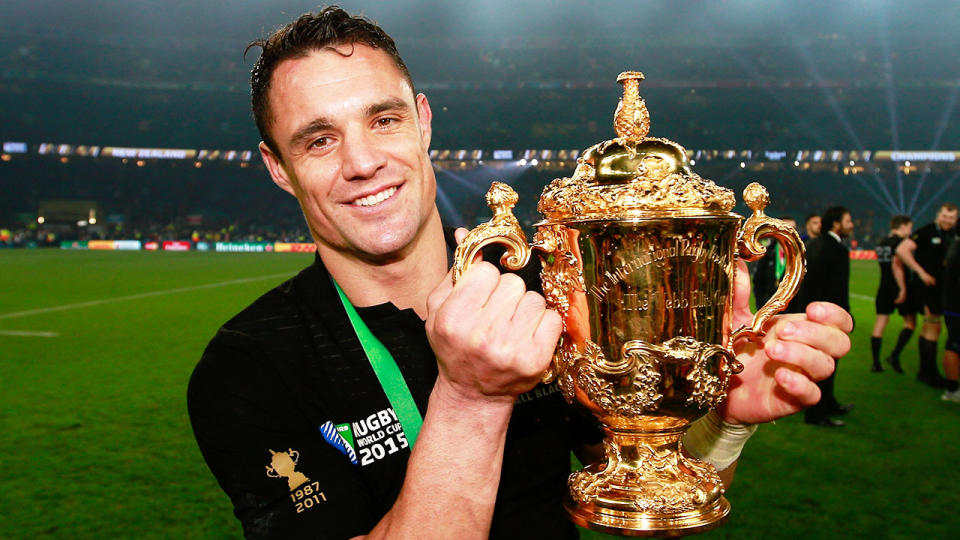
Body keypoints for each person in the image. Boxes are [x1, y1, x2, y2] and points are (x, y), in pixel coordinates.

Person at [187, 7, 852, 538]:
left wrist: (720, 422)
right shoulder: (248, 368)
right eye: (319, 138)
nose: (362, 162)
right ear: (278, 167)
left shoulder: (546, 290)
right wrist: (471, 399)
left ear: (421, 121)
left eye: (383, 120)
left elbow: (634, 489)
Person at [801, 207, 854, 427]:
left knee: (823, 363)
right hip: (828, 314)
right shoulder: (836, 249)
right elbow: (838, 288)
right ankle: (817, 414)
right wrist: (845, 316)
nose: (851, 225)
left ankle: (828, 403)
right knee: (825, 364)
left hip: (810, 310)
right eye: (848, 220)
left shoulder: (814, 244)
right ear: (836, 224)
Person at [896, 203, 959, 388]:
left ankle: (925, 371)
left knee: (929, 328)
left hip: (942, 287)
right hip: (928, 287)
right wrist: (921, 272)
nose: (947, 220)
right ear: (938, 215)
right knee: (933, 327)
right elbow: (902, 250)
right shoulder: (927, 231)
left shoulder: (953, 233)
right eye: (945, 216)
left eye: (951, 217)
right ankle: (930, 374)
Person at [870, 215, 915, 373]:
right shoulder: (900, 243)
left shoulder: (882, 243)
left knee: (880, 323)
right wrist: (902, 288)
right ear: (902, 226)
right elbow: (898, 266)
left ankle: (876, 363)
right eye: (909, 227)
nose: (910, 231)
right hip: (900, 287)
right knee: (910, 323)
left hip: (883, 286)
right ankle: (895, 355)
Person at [752, 217, 796, 308]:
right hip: (769, 307)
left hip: (793, 309)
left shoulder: (800, 255)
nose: (790, 232)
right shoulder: (767, 253)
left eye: (793, 229)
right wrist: (761, 305)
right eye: (786, 228)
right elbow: (758, 281)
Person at [941, 236, 960, 401]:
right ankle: (952, 389)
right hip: (956, 306)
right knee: (954, 345)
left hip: (952, 304)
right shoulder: (957, 249)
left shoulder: (954, 245)